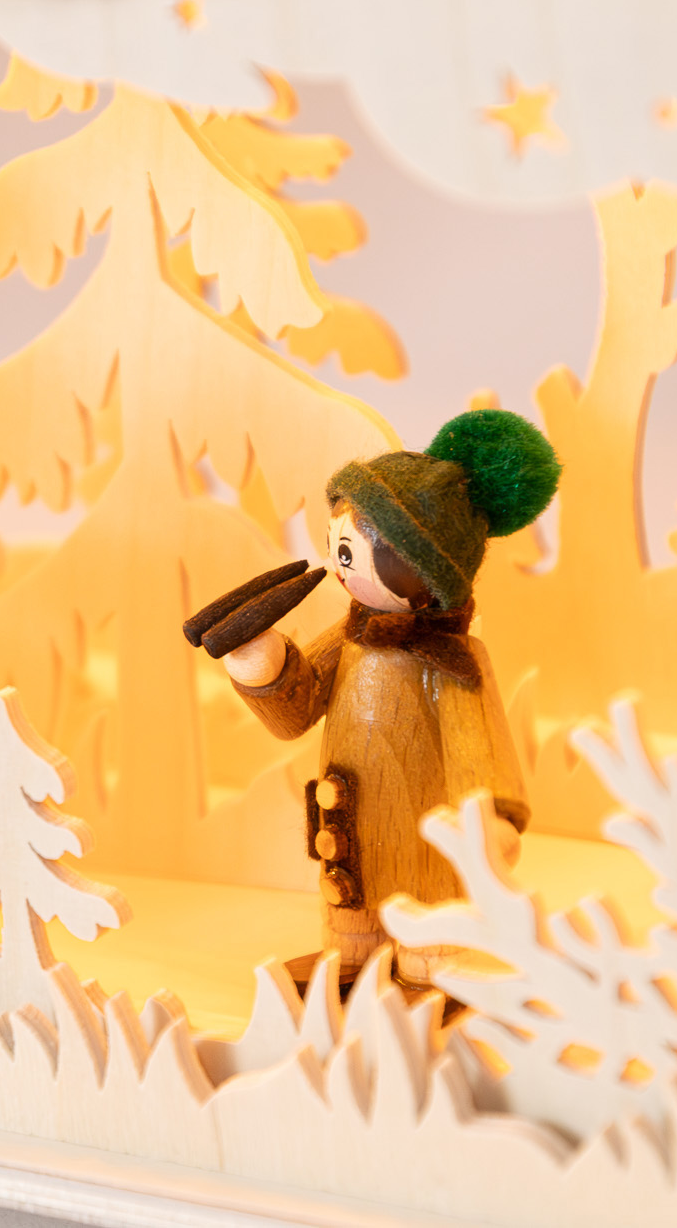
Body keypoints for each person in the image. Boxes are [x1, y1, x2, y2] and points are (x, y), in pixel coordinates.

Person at [215, 410, 560, 988]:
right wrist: (263, 664)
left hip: (426, 832)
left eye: (350, 553)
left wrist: (494, 816)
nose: (336, 567)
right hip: (350, 822)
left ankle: (430, 972)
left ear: (422, 571)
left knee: (426, 914)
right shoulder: (350, 638)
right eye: (336, 546)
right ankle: (354, 963)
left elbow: (479, 747)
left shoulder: (454, 662)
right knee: (351, 913)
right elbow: (295, 710)